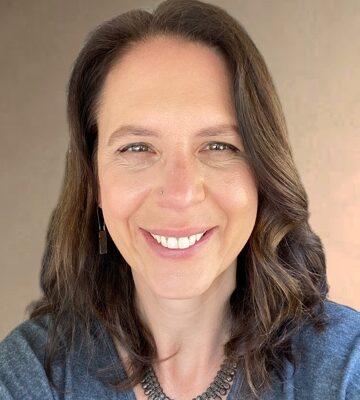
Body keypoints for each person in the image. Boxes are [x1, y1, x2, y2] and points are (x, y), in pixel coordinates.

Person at [1, 0, 359, 399]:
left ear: (262, 174)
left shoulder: (343, 368)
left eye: (218, 146)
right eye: (137, 148)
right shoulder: (33, 373)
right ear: (94, 181)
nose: (180, 193)